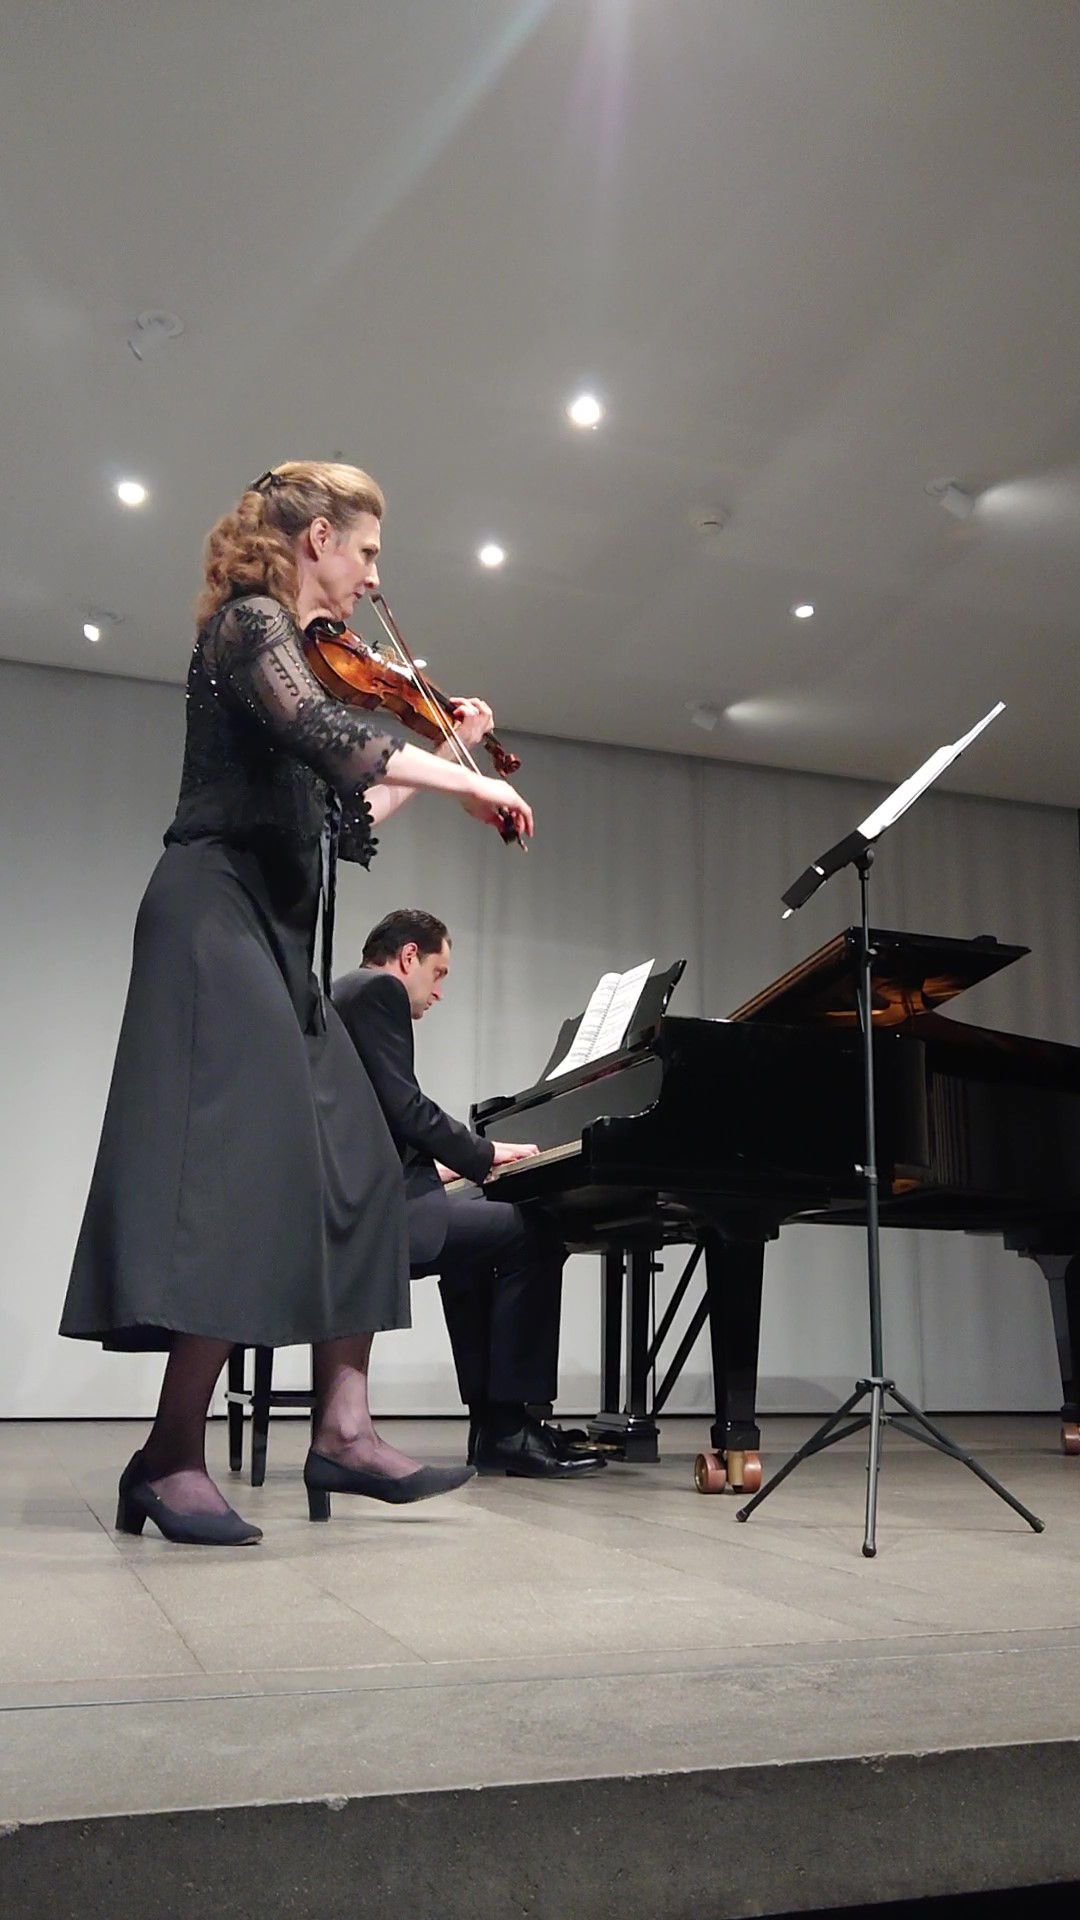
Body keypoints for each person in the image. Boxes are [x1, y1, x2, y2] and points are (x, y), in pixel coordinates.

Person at [59, 461, 533, 1544]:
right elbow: (329, 737)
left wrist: (445, 755)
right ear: (318, 537)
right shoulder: (249, 625)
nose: (373, 578)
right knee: (236, 1178)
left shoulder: (308, 659)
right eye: (366, 552)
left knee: (362, 1161)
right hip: (211, 914)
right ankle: (168, 1456)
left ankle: (344, 1428)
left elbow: (343, 812)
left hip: (274, 933)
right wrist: (472, 777)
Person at [334, 911, 606, 1479]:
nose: (439, 991)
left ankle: (493, 1426)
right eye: (438, 973)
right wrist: (482, 1154)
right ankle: (509, 1427)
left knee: (483, 1233)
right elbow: (407, 1107)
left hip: (370, 1196)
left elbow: (373, 1117)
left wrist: (437, 1166)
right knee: (535, 1229)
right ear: (409, 956)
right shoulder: (380, 991)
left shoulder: (347, 991)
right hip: (377, 1218)